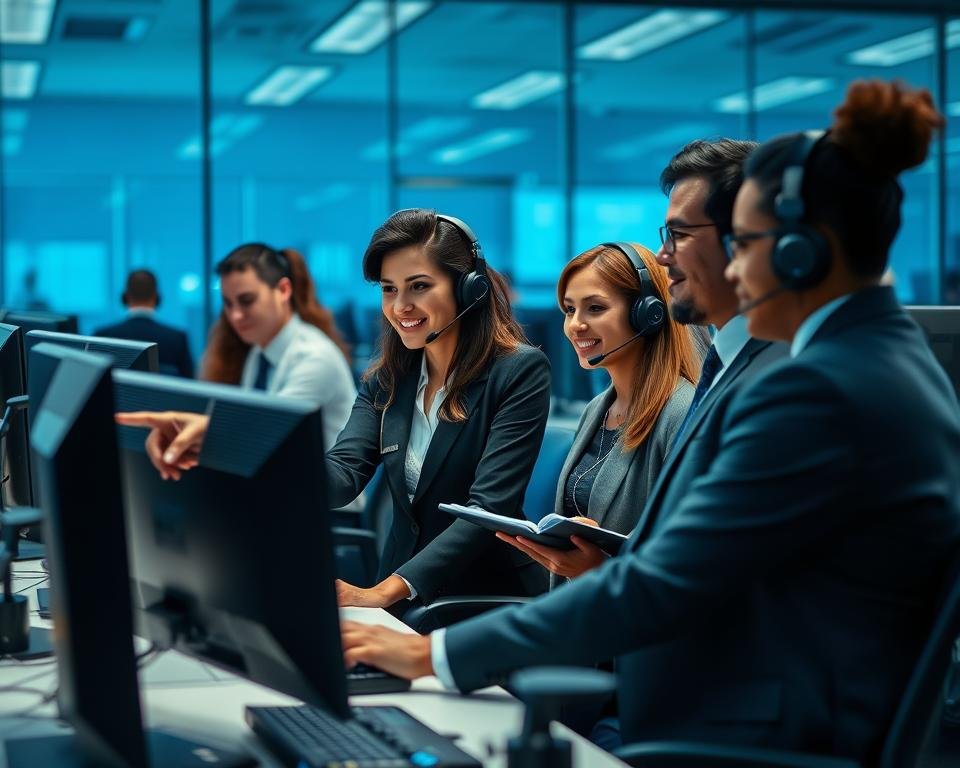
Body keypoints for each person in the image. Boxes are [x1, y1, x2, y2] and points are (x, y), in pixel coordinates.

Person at [339, 81, 960, 765]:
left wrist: (434, 653)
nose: (669, 259)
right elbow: (722, 561)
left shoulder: (821, 389)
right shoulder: (848, 364)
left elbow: (665, 586)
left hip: (735, 733)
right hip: (703, 706)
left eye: (739, 240)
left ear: (798, 253)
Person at [117, 210, 551, 611]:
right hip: (399, 598)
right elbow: (341, 477)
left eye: (419, 286)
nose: (400, 307)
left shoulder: (517, 372)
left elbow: (487, 510)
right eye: (389, 289)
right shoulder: (388, 380)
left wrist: (383, 591)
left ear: (467, 288)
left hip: (481, 601)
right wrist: (223, 441)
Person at [496, 242, 697, 581]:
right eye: (569, 309)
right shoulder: (597, 411)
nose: (575, 325)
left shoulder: (681, 412)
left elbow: (690, 556)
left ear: (648, 314)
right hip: (581, 614)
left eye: (595, 308)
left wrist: (601, 570)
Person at [200, 244, 355, 454]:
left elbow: (265, 437)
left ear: (283, 290)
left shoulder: (316, 357)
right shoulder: (258, 354)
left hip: (324, 486)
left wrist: (196, 428)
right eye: (228, 303)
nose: (235, 315)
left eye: (247, 300)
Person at [95, 269, 194, 378]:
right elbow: (189, 384)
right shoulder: (177, 338)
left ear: (124, 297)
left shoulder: (102, 336)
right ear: (157, 298)